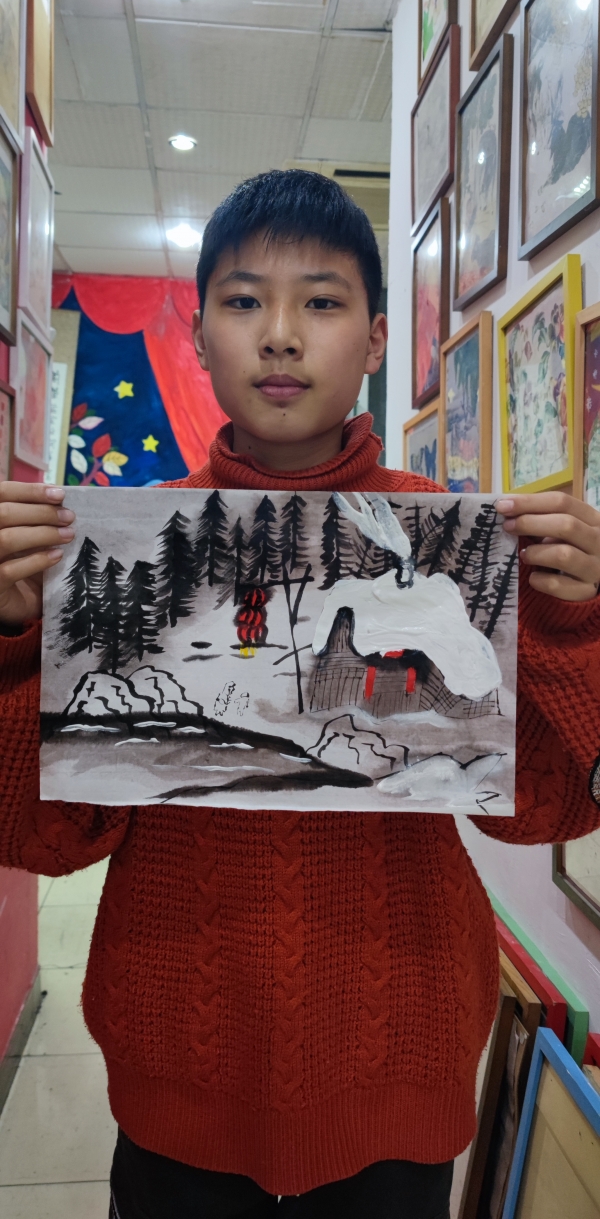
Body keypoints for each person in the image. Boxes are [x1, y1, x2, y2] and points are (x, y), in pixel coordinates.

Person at [1, 170, 599, 1219]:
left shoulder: (451, 539)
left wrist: (572, 624)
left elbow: (548, 808)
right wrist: (16, 644)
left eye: (321, 301)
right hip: (176, 1064)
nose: (280, 335)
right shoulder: (117, 542)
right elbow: (46, 836)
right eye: (244, 301)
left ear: (376, 339)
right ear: (197, 336)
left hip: (399, 1056)